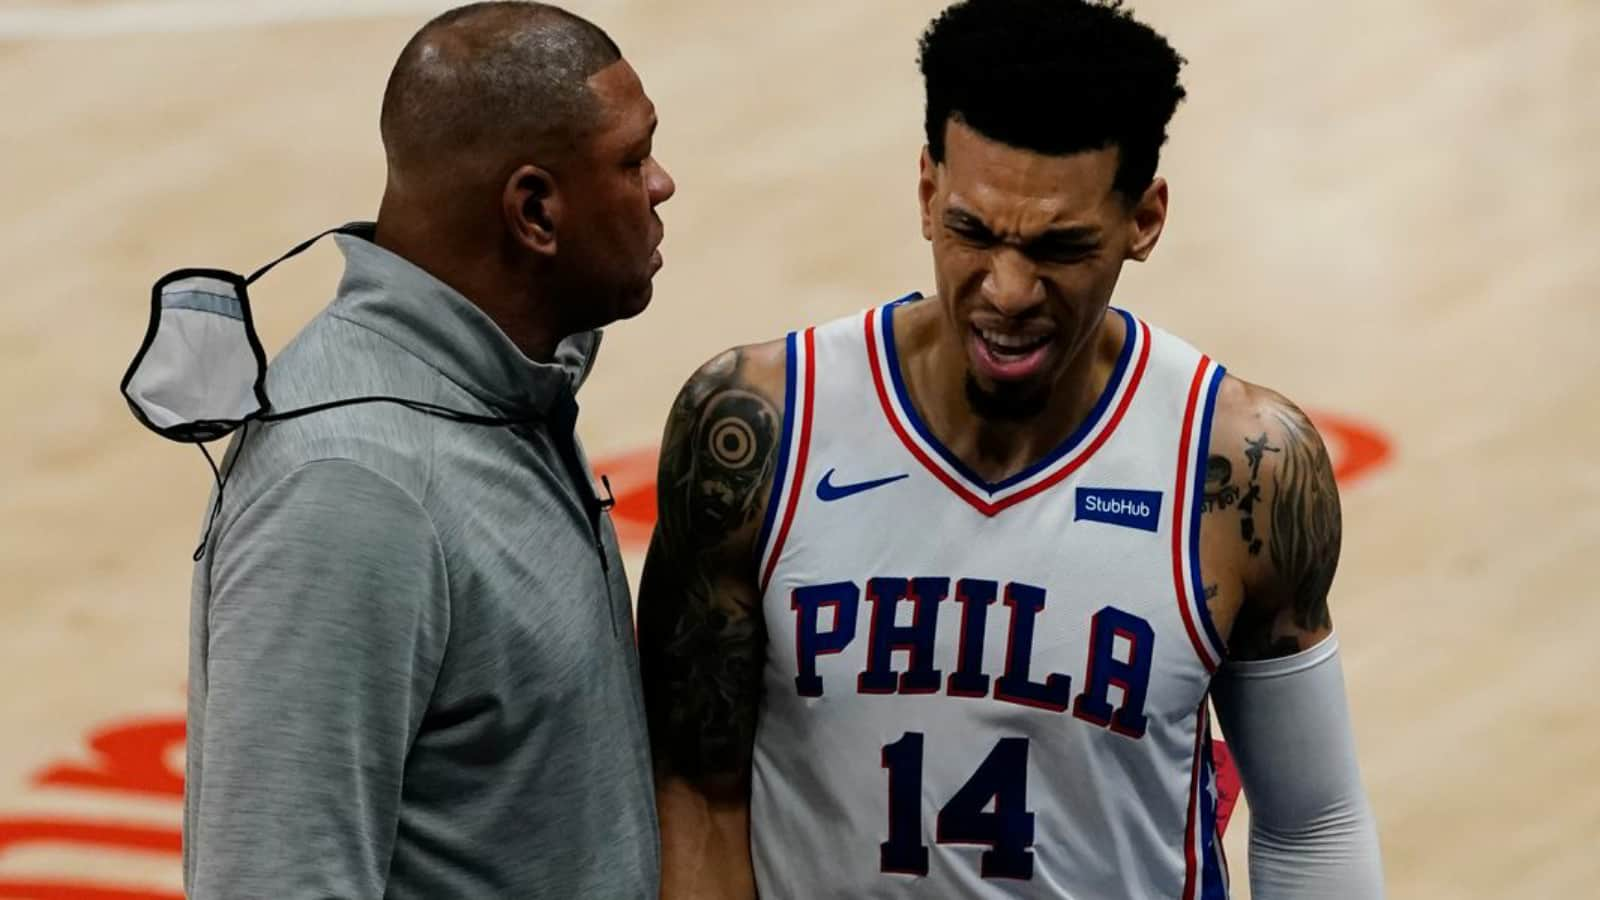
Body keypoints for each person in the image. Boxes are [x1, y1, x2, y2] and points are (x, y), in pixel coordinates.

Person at [636, 0, 1382, 897]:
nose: (1008, 290)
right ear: (925, 192)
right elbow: (697, 794)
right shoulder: (760, 429)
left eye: (1059, 247)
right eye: (973, 232)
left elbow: (1313, 824)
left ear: (1144, 219)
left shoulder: (1243, 469)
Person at [181, 2, 674, 897]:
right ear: (535, 210)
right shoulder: (350, 489)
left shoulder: (497, 396)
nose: (662, 184)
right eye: (632, 161)